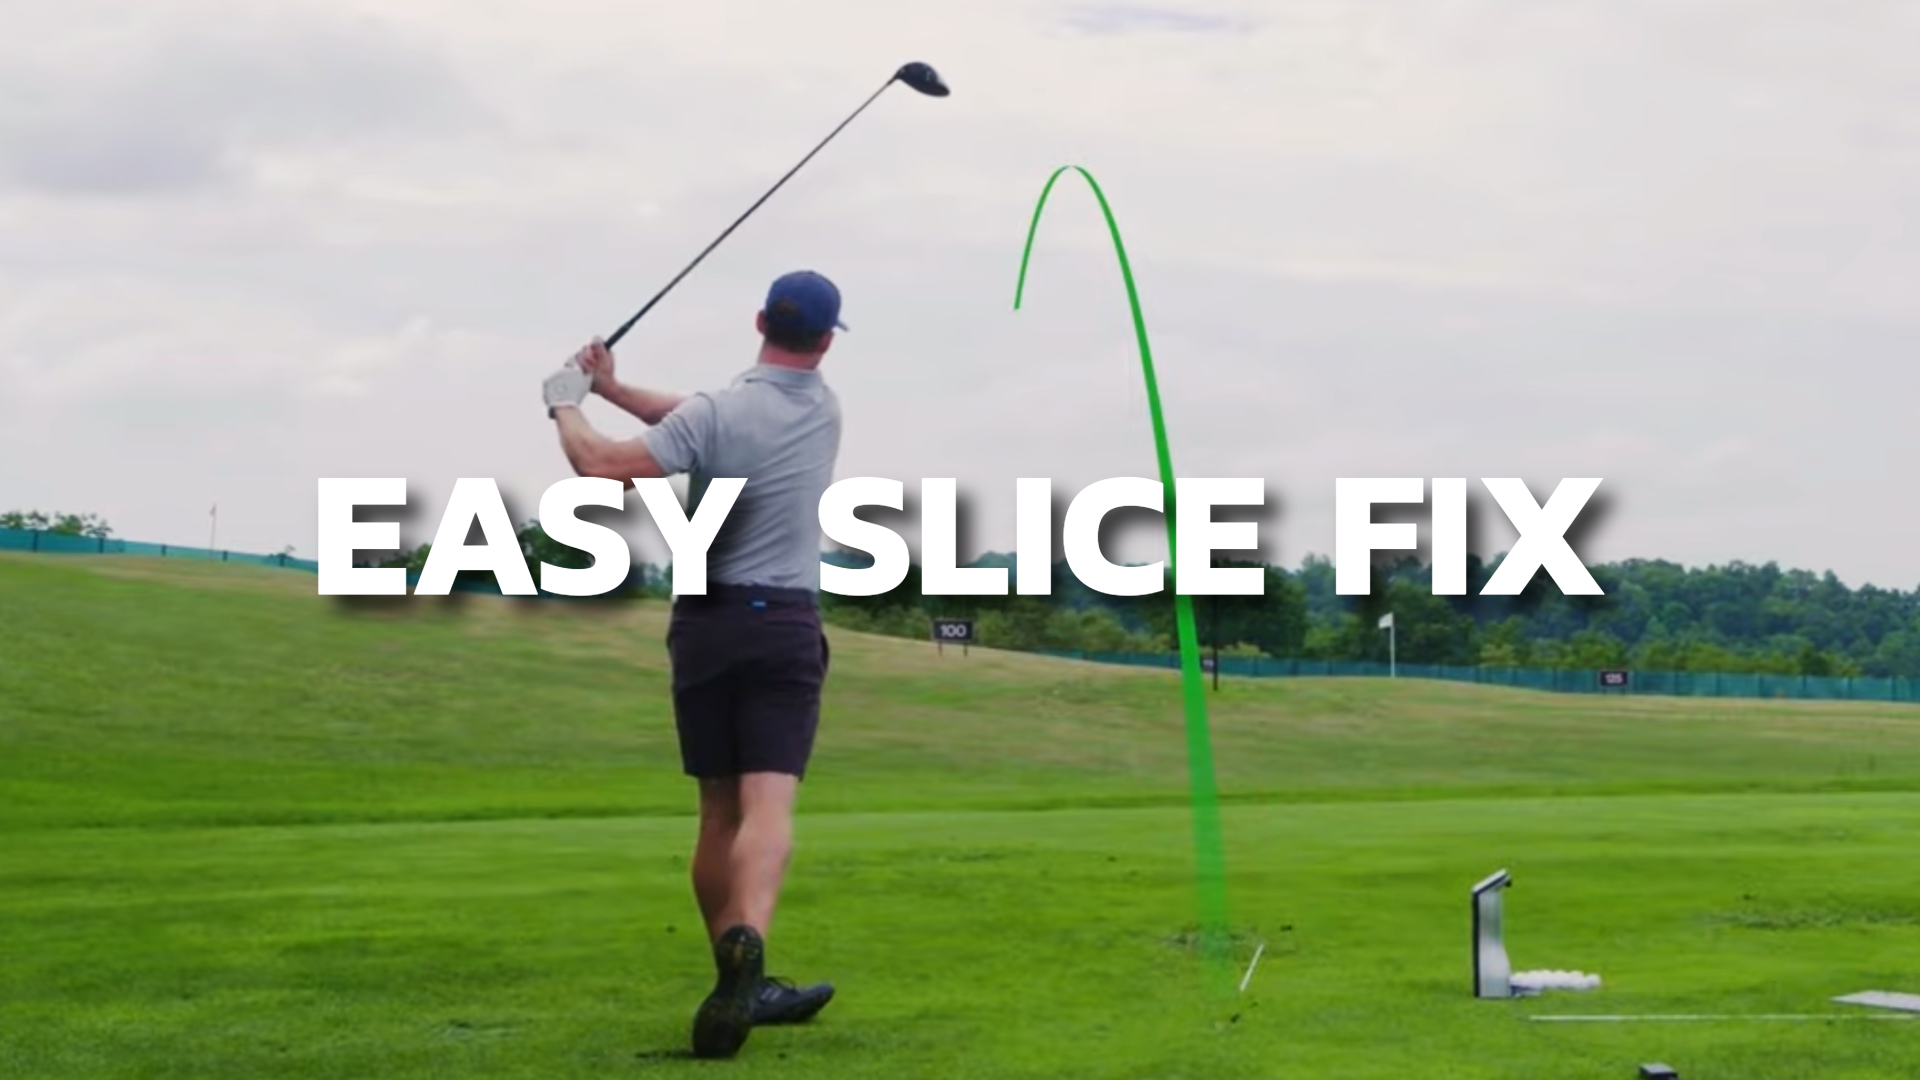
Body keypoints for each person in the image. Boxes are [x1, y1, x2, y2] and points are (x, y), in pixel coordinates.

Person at [541, 270, 846, 1059]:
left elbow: (605, 464)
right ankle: (750, 941)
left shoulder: (717, 411)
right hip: (780, 623)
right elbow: (666, 431)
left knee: (718, 811)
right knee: (768, 805)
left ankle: (738, 978)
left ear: (758, 321)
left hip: (707, 625)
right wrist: (606, 388)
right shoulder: (821, 409)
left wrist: (567, 399)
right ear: (824, 339)